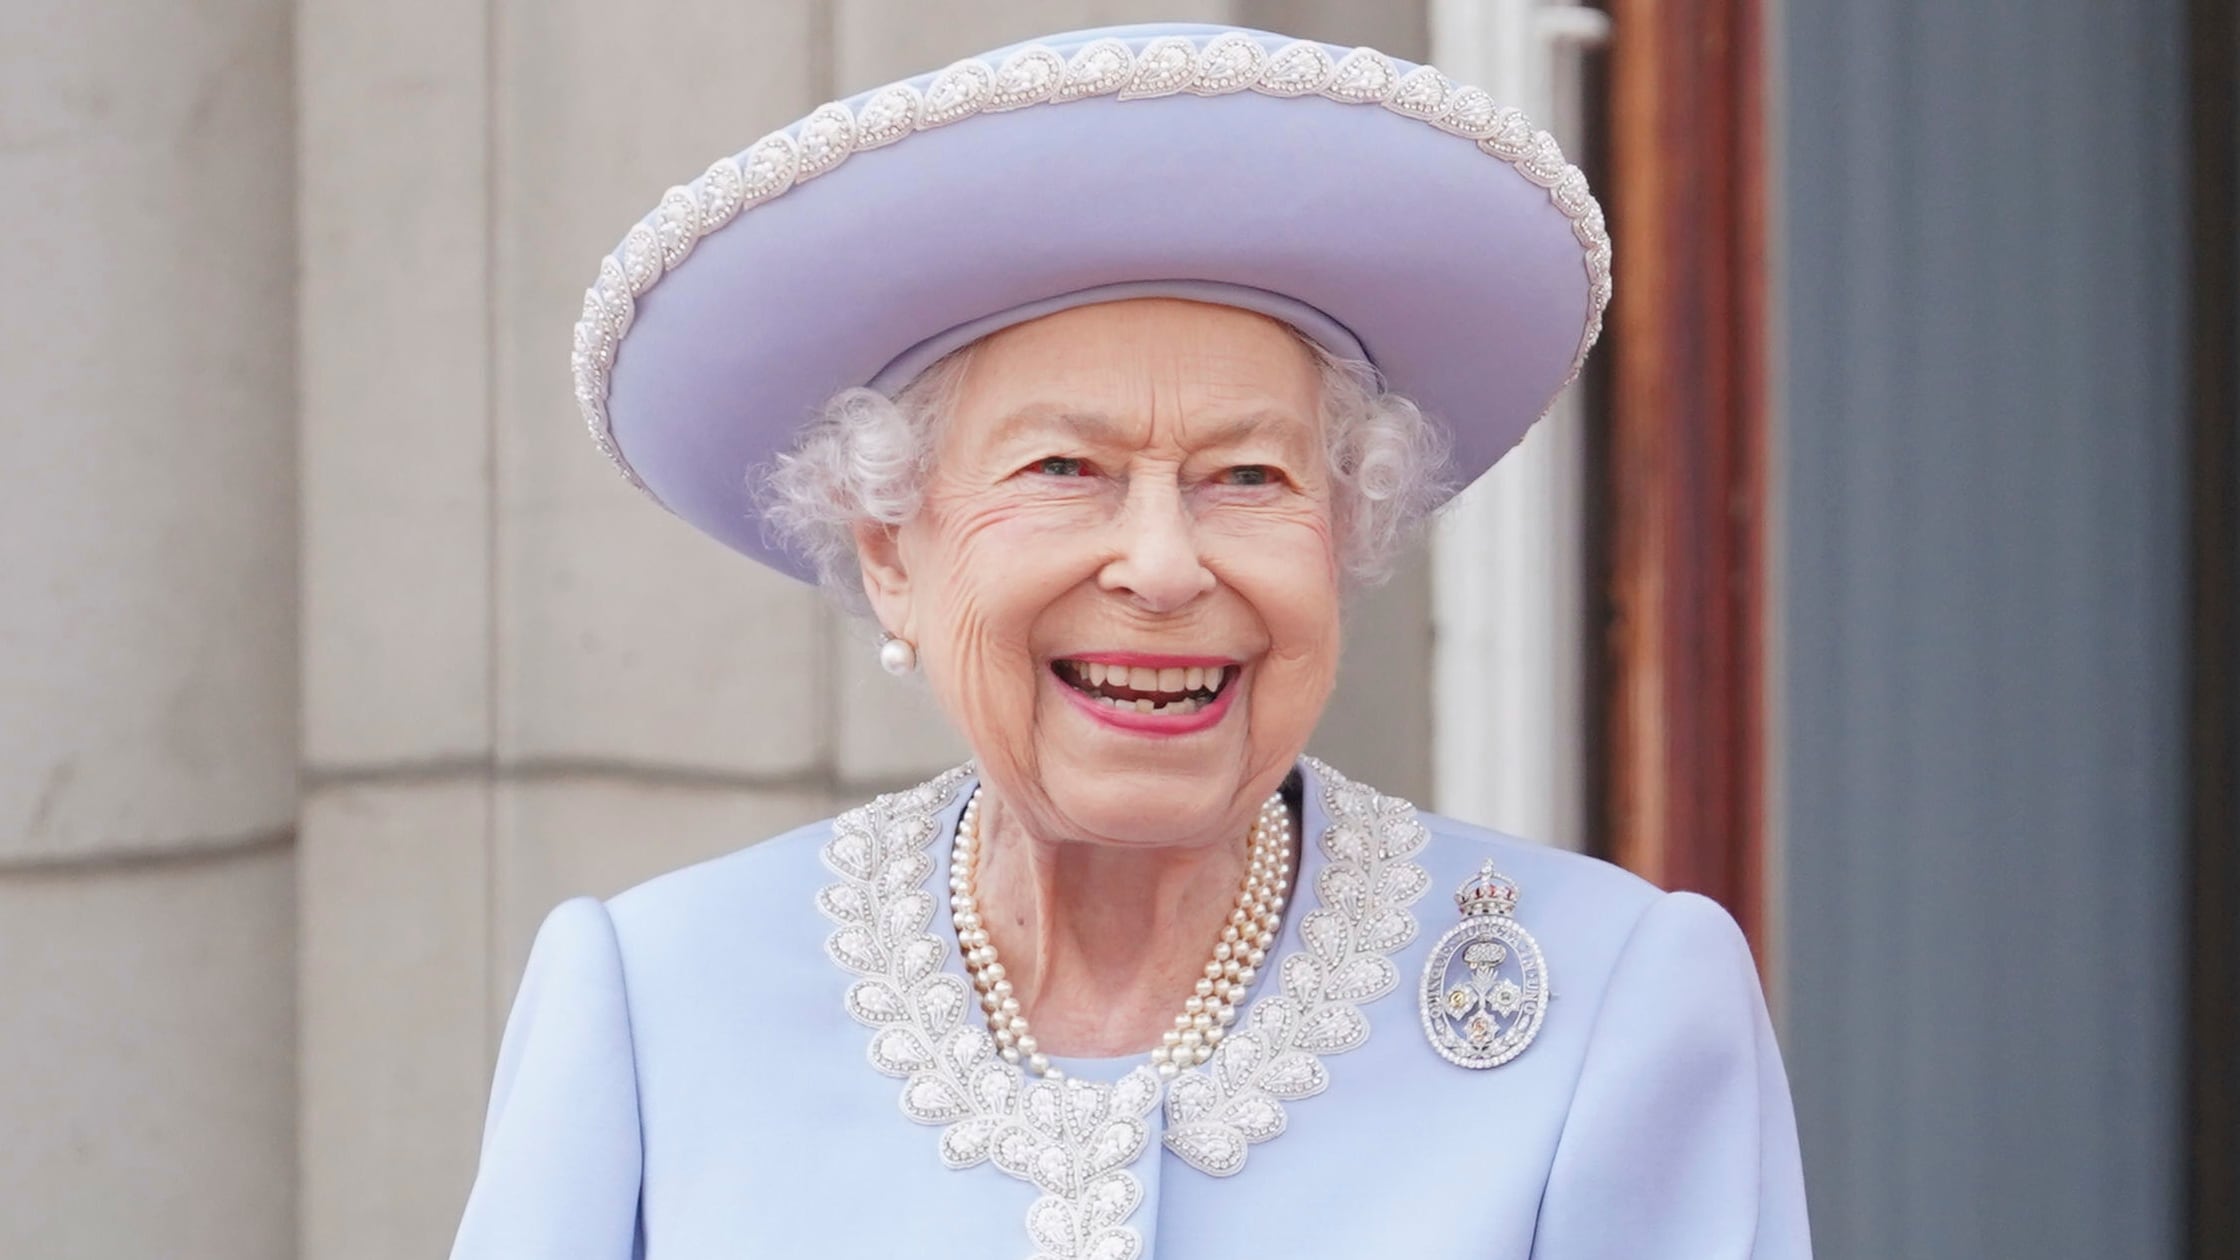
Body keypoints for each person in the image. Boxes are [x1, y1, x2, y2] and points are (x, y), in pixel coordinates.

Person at [452, 22, 1809, 1259]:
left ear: (1339, 540)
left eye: (1247, 479)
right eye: (1063, 469)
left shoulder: (1607, 1009)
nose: (1163, 566)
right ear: (891, 551)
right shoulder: (656, 1002)